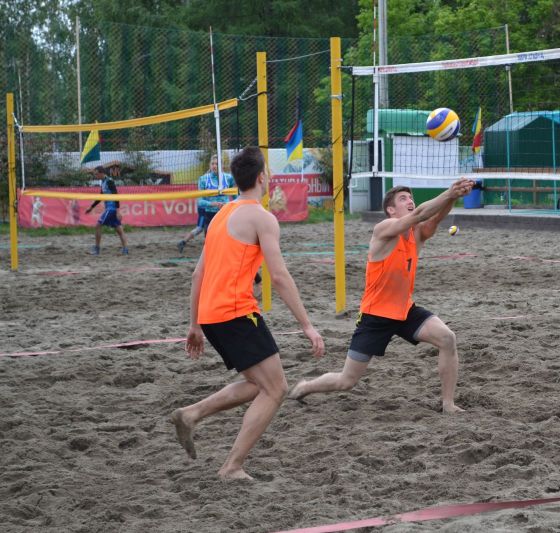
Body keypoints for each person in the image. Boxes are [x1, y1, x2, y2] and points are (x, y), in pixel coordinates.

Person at [170, 146, 324, 481]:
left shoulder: (221, 214)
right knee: (276, 389)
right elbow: (279, 276)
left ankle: (191, 414)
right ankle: (232, 466)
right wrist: (307, 326)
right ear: (261, 178)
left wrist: (195, 324)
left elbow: (197, 274)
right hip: (235, 311)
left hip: (211, 315)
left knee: (260, 384)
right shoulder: (262, 218)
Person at [287, 178, 475, 414]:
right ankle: (305, 387)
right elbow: (420, 214)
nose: (410, 201)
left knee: (447, 338)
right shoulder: (384, 229)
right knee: (346, 381)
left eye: (411, 197)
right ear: (391, 210)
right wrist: (449, 192)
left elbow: (434, 218)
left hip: (405, 311)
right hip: (375, 316)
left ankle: (448, 404)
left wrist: (454, 196)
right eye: (403, 199)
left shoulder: (416, 235)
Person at [178, 155, 235, 252]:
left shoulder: (229, 178)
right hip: (209, 213)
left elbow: (235, 197)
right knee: (203, 233)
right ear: (210, 165)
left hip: (224, 213)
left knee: (225, 239)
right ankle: (183, 242)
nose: (214, 166)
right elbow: (200, 201)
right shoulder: (203, 179)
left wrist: (232, 206)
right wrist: (212, 203)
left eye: (217, 164)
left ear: (222, 166)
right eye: (212, 164)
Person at [86, 165, 128, 255]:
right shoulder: (103, 182)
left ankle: (97, 249)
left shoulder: (109, 181)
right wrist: (91, 207)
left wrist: (118, 211)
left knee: (98, 225)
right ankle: (125, 249)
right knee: (119, 230)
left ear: (102, 173)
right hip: (109, 208)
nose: (95, 176)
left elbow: (116, 195)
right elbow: (101, 197)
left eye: (96, 174)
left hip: (111, 208)